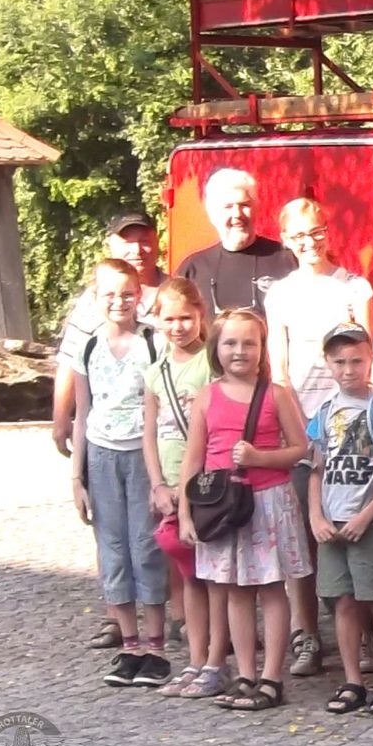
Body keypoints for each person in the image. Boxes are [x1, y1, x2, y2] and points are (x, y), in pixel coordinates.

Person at [180, 308, 313, 713]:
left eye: (249, 343)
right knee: (235, 590)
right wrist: (185, 512)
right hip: (222, 506)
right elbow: (193, 459)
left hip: (267, 501)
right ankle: (245, 674)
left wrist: (260, 457)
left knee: (271, 588)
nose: (240, 351)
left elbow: (300, 448)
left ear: (262, 348)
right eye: (231, 343)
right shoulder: (207, 397)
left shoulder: (276, 394)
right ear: (216, 348)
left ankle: (271, 678)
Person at [264, 196, 373, 678]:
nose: (309, 242)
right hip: (302, 425)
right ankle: (307, 633)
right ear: (286, 239)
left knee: (354, 532)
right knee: (303, 539)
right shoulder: (280, 294)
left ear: (329, 231)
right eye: (299, 235)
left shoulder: (353, 287)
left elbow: (365, 359)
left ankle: (363, 636)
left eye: (317, 231)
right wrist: (301, 433)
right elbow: (279, 370)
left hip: (351, 425)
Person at [69, 258, 172, 689]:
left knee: (146, 546)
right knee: (113, 549)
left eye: (127, 293)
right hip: (101, 455)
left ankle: (156, 647)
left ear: (139, 296)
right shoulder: (88, 346)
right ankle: (129, 645)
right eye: (109, 294)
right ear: (95, 296)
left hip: (142, 454)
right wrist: (76, 477)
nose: (119, 301)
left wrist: (161, 476)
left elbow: (165, 407)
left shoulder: (154, 342)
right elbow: (82, 412)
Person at [306, 323, 373, 718]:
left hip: (371, 522)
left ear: (370, 361)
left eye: (356, 361)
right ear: (328, 364)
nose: (348, 370)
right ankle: (352, 680)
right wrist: (315, 514)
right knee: (343, 603)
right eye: (340, 362)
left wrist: (368, 515)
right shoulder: (324, 411)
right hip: (332, 524)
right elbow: (316, 467)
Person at [139, 277, 221, 698]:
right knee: (189, 575)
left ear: (200, 315)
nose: (178, 327)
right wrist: (157, 483)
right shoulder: (156, 373)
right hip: (171, 482)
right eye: (169, 319)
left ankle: (217, 659)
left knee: (216, 577)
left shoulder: (212, 362)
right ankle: (196, 658)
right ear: (157, 320)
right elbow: (149, 433)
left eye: (185, 318)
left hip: (209, 484)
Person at [54, 211, 165, 461]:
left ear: (157, 242)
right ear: (111, 244)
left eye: (144, 241)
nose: (137, 250)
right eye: (127, 242)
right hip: (104, 438)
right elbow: (69, 358)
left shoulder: (173, 293)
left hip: (160, 434)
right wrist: (61, 418)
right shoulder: (94, 299)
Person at [174, 168, 296, 317]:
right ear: (212, 213)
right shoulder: (193, 269)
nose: (237, 214)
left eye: (244, 205)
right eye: (228, 207)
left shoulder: (287, 259)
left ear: (256, 209)